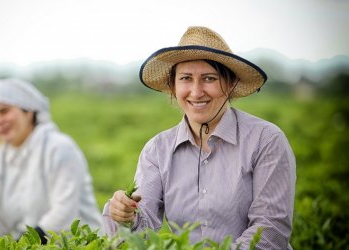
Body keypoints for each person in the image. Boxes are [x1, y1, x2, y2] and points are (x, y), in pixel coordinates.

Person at [102, 26, 296, 249]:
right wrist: (127, 216)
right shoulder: (157, 150)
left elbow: (270, 231)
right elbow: (143, 227)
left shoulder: (266, 140)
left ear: (230, 83)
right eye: (185, 78)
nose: (196, 92)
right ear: (173, 87)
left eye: (209, 78)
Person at [0, 78, 103, 243]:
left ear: (28, 111)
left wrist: (22, 244)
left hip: (81, 244)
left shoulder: (59, 148)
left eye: (4, 111)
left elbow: (64, 212)